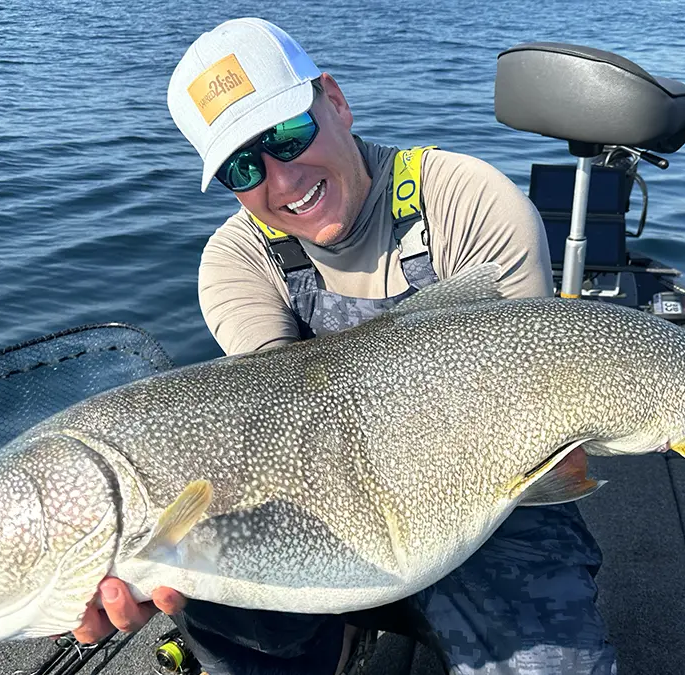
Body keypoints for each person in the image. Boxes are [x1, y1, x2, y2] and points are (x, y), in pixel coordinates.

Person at [73, 17, 616, 675]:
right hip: (323, 504)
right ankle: (328, 643)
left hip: (489, 500)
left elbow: (528, 401)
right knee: (211, 598)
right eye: (244, 166)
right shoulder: (237, 261)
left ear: (334, 99)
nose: (281, 176)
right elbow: (269, 422)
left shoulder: (468, 201)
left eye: (287, 134)